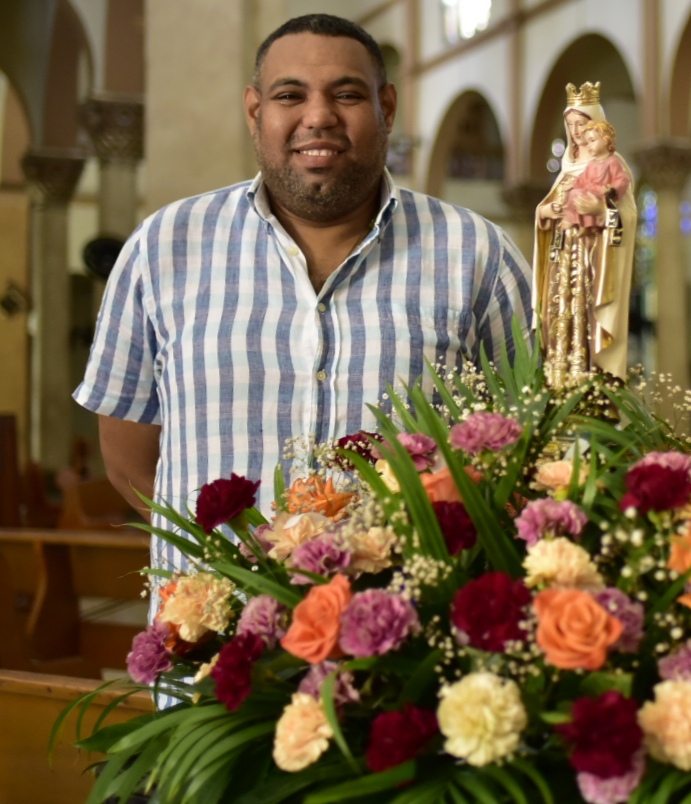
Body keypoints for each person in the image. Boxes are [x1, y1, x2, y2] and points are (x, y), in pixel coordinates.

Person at [74, 14, 532, 578]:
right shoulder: (164, 248)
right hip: (214, 650)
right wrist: (222, 576)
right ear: (254, 111)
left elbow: (526, 453)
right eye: (290, 95)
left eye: (347, 94)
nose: (319, 116)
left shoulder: (476, 254)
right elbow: (128, 463)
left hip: (406, 645)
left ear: (386, 108)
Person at [533, 83, 637, 386]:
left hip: (592, 254)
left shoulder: (611, 165)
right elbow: (546, 209)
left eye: (582, 124)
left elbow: (627, 216)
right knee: (557, 311)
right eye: (571, 125)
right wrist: (545, 213)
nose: (577, 131)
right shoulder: (567, 169)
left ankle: (588, 372)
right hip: (560, 252)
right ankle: (558, 371)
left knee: (584, 309)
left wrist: (602, 209)